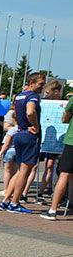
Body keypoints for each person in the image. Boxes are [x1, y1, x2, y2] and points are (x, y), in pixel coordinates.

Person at [0, 73, 46, 213]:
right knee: (25, 171)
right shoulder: (33, 96)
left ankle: (6, 200)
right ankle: (14, 203)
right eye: (40, 84)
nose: (42, 87)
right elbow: (31, 112)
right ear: (31, 82)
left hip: (19, 134)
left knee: (19, 171)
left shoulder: (19, 96)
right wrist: (36, 126)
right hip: (29, 135)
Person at [40, 91, 73, 220]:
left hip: (71, 141)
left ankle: (53, 210)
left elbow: (65, 117)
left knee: (64, 174)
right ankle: (70, 202)